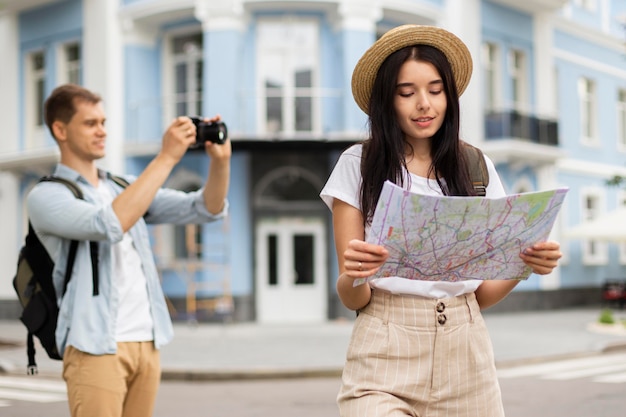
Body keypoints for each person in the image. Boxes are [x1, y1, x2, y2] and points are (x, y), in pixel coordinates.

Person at [320, 25, 562, 417]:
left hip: (467, 352)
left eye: (435, 90)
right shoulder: (358, 165)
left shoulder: (476, 168)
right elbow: (353, 297)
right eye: (406, 92)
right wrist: (355, 274)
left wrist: (525, 266)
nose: (424, 105)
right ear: (387, 99)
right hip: (384, 345)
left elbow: (480, 295)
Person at [27, 83, 231, 417]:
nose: (102, 131)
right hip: (95, 346)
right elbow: (107, 224)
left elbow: (204, 208)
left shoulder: (122, 186)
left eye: (104, 122)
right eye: (90, 123)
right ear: (60, 130)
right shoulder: (47, 195)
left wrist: (220, 163)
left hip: (146, 342)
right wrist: (166, 157)